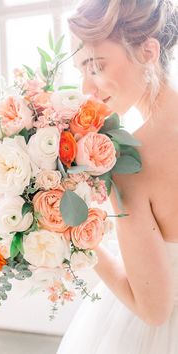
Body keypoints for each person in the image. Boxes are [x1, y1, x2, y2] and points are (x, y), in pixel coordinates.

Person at [57, 0, 178, 353]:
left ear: (148, 51)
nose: (86, 88)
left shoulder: (132, 163)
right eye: (80, 70)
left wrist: (80, 237)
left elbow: (153, 310)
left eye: (95, 67)